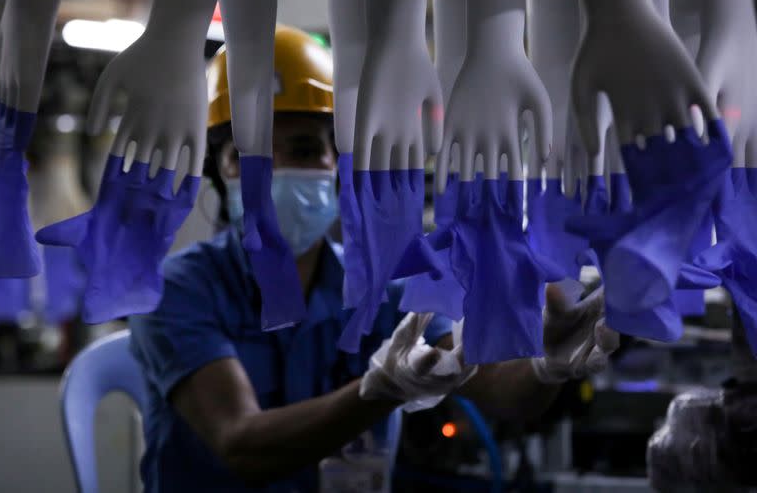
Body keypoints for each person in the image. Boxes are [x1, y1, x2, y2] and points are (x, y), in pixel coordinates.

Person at [128, 25, 618, 492]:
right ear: (219, 172)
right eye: (248, 154)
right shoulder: (175, 289)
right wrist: (379, 389)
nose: (274, 173)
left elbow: (498, 388)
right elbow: (242, 446)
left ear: (338, 169)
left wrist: (547, 365)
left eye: (303, 149)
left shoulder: (383, 289)